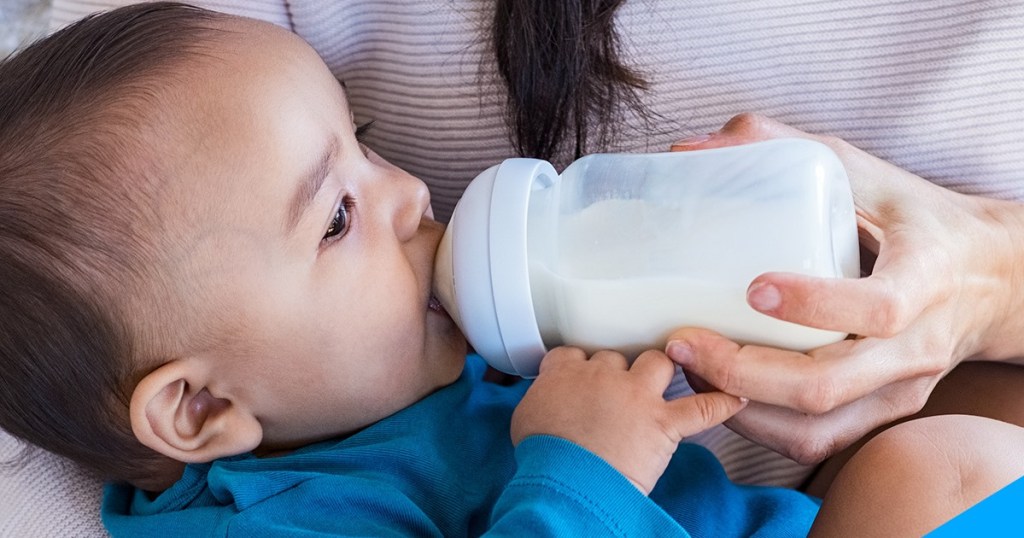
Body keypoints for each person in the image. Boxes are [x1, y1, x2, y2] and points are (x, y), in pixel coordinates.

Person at [2, 4, 1022, 536]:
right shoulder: (289, 520)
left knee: (932, 467)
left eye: (363, 138)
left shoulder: (395, 375)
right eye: (339, 215)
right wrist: (581, 472)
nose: (411, 195)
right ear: (197, 410)